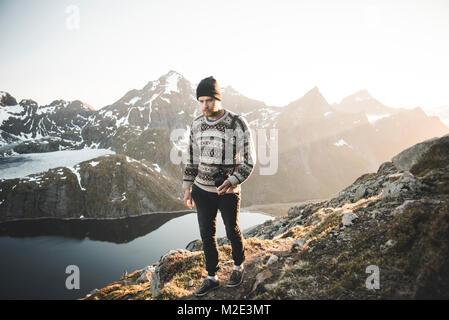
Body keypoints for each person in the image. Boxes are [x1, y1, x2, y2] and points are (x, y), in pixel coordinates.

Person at [182, 76, 256, 297]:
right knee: (207, 235)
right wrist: (187, 187)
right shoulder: (196, 124)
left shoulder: (236, 123)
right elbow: (192, 158)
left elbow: (249, 160)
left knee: (232, 229)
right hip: (201, 191)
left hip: (228, 191)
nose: (205, 105)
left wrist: (232, 181)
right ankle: (212, 277)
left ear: (218, 99)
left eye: (209, 100)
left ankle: (238, 266)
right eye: (201, 101)